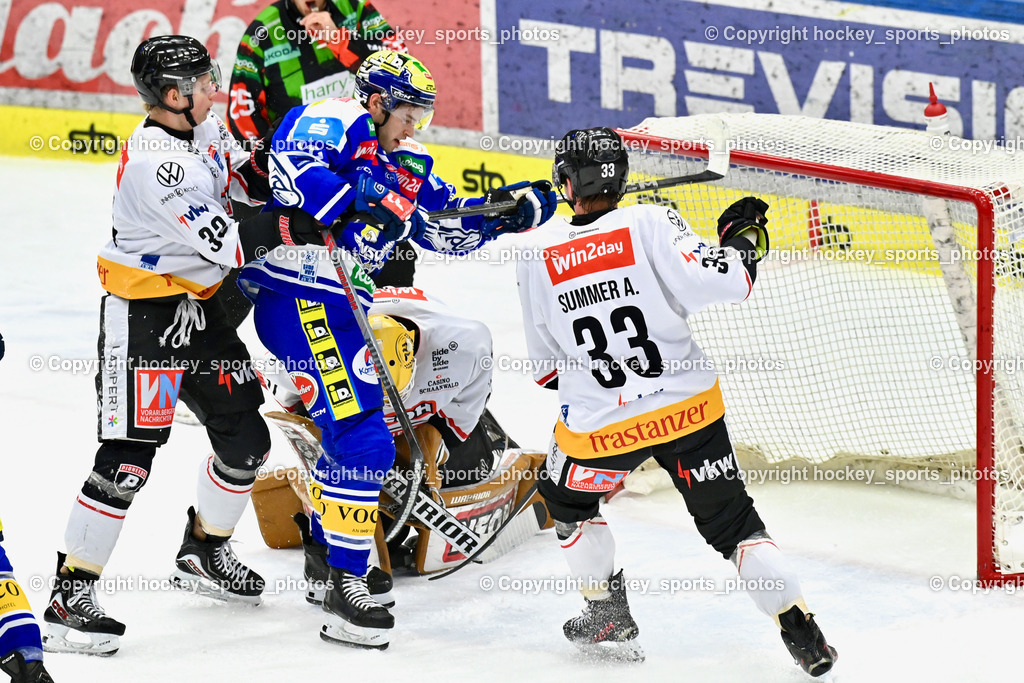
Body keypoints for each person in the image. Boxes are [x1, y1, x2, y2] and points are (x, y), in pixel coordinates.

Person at [237, 49, 556, 649]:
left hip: (342, 308)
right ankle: (346, 586)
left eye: (423, 118)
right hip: (299, 294)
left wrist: (508, 213)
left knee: (350, 433)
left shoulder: (406, 160)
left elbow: (444, 226)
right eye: (409, 114)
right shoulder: (333, 116)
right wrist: (360, 199)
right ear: (378, 102)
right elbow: (294, 175)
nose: (415, 127)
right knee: (365, 438)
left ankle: (326, 558)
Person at [515, 127, 837, 676]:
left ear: (566, 184)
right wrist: (742, 239)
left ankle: (606, 615)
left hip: (601, 430)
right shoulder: (652, 221)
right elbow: (732, 281)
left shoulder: (535, 254)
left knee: (565, 504)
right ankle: (803, 634)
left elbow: (547, 371)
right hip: (690, 413)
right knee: (736, 528)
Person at [42, 35, 298, 656]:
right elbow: (234, 242)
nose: (215, 89)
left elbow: (247, 176)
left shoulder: (203, 128)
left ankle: (204, 551)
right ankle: (70, 594)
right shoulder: (156, 165)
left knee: (246, 441)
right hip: (145, 320)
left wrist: (299, 167)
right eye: (203, 82)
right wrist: (306, 219)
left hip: (201, 312)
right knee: (128, 462)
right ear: (173, 95)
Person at [220, 0, 411, 330]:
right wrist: (276, 172)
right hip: (289, 177)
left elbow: (404, 78)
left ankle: (392, 343)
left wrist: (340, 40)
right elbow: (241, 115)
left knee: (391, 257)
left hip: (356, 171)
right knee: (239, 271)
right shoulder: (264, 31)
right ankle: (208, 348)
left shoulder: (358, 12)